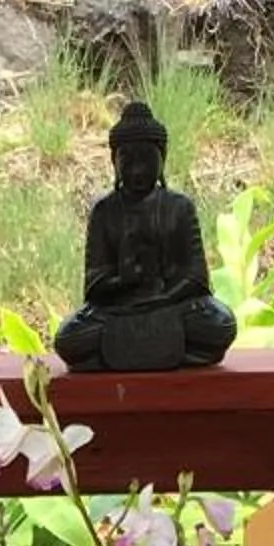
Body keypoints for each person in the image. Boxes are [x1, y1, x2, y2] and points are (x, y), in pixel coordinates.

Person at [54, 98, 236, 374]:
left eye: (147, 160)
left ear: (162, 160)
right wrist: (124, 281)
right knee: (69, 339)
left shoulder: (179, 207)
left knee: (221, 324)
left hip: (171, 305)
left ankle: (128, 352)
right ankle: (177, 352)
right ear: (114, 162)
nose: (137, 170)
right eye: (128, 160)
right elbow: (95, 285)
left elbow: (195, 277)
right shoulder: (104, 211)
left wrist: (162, 296)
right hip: (118, 309)